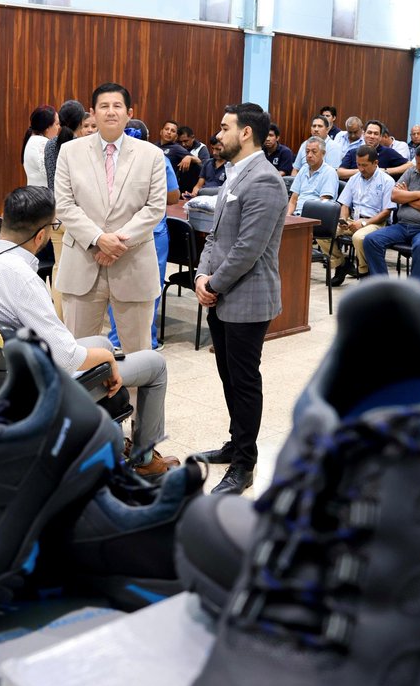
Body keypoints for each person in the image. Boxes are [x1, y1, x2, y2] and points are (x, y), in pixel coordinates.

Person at [0, 186, 178, 476]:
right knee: (154, 364)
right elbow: (66, 358)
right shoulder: (21, 277)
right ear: (41, 236)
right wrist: (107, 361)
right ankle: (144, 459)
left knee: (101, 343)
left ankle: (105, 444)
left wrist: (103, 353)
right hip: (33, 388)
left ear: (4, 217)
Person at [194, 102, 287, 495]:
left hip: (247, 298)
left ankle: (244, 464)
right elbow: (215, 236)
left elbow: (248, 248)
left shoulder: (264, 180)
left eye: (224, 127)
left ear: (245, 132)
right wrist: (201, 275)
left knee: (245, 381)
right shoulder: (234, 174)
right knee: (228, 375)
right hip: (221, 293)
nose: (218, 135)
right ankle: (236, 442)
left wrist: (213, 285)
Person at [53, 82, 167, 354]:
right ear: (92, 113)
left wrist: (116, 243)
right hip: (83, 262)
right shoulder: (70, 152)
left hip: (133, 263)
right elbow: (65, 205)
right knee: (78, 354)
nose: (111, 111)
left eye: (117, 106)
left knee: (138, 355)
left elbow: (154, 207)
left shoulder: (151, 155)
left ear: (129, 113)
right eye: (104, 106)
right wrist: (98, 239)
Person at [105, 119, 179, 352]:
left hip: (117, 232)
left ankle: (116, 338)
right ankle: (148, 339)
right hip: (151, 232)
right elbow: (173, 196)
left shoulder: (109, 157)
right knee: (148, 287)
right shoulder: (157, 158)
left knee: (115, 282)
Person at [362, 142, 420, 282]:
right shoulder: (412, 171)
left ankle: (412, 290)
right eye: (417, 162)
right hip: (403, 226)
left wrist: (407, 197)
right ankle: (382, 286)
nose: (417, 167)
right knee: (371, 240)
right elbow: (394, 195)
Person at [43, 99, 88, 317]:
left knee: (59, 268)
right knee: (80, 273)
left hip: (54, 214)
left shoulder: (50, 145)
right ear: (82, 122)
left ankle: (58, 319)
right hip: (75, 215)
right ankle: (74, 321)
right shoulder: (82, 147)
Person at [328, 146, 395, 286]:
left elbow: (386, 212)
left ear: (375, 163)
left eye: (365, 165)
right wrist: (344, 219)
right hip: (354, 220)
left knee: (359, 237)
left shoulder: (387, 181)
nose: (361, 169)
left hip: (376, 223)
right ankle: (341, 264)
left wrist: (364, 223)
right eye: (358, 164)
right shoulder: (354, 179)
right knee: (325, 232)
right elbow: (345, 204)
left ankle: (364, 273)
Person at [286, 137, 338, 216]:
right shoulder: (303, 169)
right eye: (307, 151)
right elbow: (293, 200)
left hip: (314, 216)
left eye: (314, 152)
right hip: (296, 215)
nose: (309, 155)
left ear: (323, 153)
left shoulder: (329, 172)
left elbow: (323, 204)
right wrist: (288, 216)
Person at [340, 119, 408, 180]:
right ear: (363, 134)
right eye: (369, 133)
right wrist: (363, 170)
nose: (372, 136)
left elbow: (410, 165)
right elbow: (340, 172)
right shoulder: (353, 152)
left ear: (380, 137)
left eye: (376, 134)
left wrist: (385, 171)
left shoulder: (388, 152)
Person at [22, 105, 59, 187]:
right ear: (47, 128)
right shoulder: (42, 143)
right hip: (42, 193)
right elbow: (54, 173)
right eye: (57, 124)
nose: (59, 127)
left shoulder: (33, 140)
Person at [308, 117, 345, 181]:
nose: (316, 129)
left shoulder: (334, 147)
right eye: (314, 126)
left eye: (320, 126)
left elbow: (332, 175)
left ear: (327, 130)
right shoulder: (305, 144)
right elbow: (296, 169)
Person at [176, 126, 208, 194]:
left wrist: (191, 158)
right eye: (180, 142)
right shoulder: (177, 147)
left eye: (185, 141)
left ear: (192, 138)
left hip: (195, 184)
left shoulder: (201, 148)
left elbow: (206, 168)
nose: (183, 144)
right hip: (178, 184)